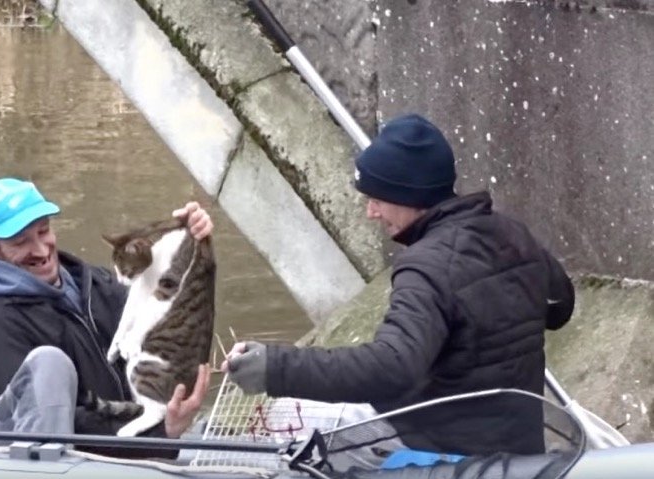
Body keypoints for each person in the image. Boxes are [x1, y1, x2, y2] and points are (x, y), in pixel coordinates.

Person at [222, 114, 575, 462]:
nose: (370, 213)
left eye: (377, 198)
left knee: (284, 418)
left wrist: (274, 367)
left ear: (410, 195)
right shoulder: (512, 233)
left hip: (440, 447)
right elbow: (560, 305)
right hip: (519, 443)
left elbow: (392, 367)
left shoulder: (425, 266)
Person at [0, 177, 213, 456]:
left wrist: (190, 243)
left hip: (123, 445)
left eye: (44, 231)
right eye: (21, 242)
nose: (40, 249)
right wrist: (160, 434)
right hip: (19, 459)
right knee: (50, 363)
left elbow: (170, 314)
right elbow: (57, 424)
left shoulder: (94, 284)